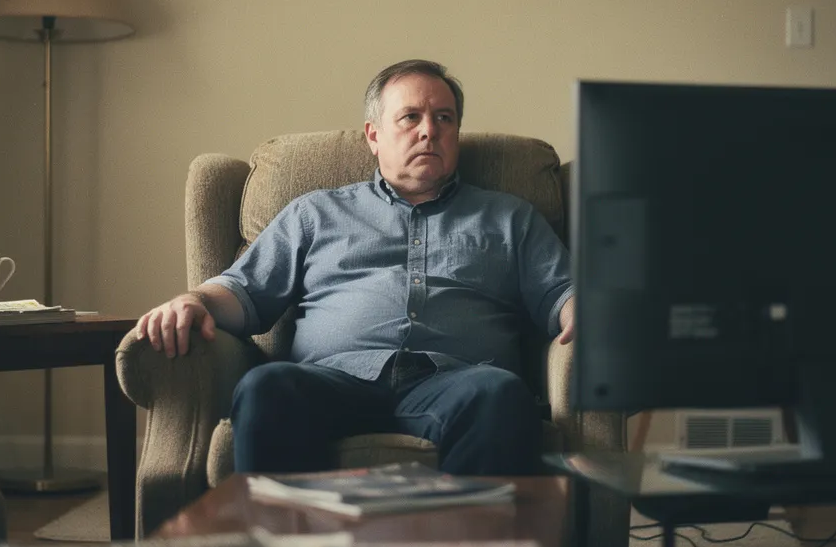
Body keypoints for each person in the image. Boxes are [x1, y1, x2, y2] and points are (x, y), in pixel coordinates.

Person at [134, 59, 575, 476]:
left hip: (458, 380)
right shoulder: (315, 213)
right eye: (410, 117)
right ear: (374, 135)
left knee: (499, 394)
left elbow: (561, 292)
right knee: (267, 388)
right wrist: (193, 300)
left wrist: (583, 311)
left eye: (444, 118)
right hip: (333, 379)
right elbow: (244, 292)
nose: (429, 131)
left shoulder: (509, 217)